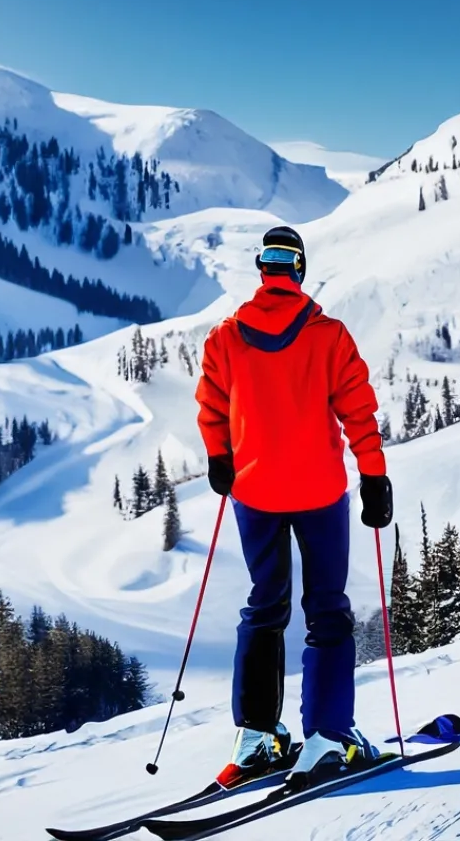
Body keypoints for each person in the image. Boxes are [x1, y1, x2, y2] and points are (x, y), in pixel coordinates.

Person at [195, 225, 394, 786]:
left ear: (263, 269)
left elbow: (210, 406)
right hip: (318, 494)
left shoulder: (225, 339)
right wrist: (374, 477)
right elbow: (358, 409)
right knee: (326, 609)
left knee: (265, 604)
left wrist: (219, 458)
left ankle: (257, 735)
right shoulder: (328, 336)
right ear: (298, 271)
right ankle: (328, 738)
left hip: (254, 494)